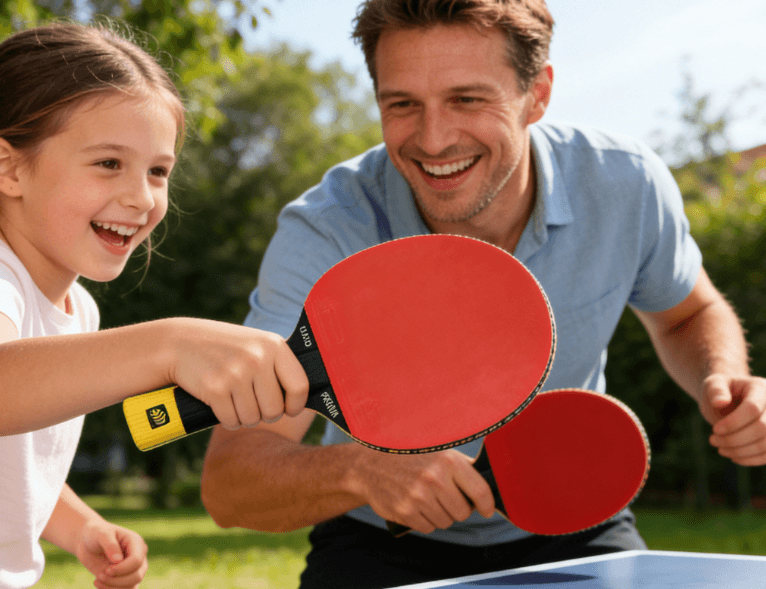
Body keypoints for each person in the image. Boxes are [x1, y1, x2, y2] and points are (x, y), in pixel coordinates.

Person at [200, 1, 766, 587]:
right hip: (377, 542)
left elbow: (687, 312)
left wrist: (722, 380)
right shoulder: (327, 231)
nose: (434, 138)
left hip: (575, 526)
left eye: (467, 99)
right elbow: (232, 483)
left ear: (538, 94)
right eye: (402, 105)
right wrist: (362, 471)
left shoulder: (626, 184)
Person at [0, 22, 309, 589]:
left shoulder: (78, 308)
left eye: (158, 171)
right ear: (8, 168)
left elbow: (11, 459)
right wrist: (170, 344)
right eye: (109, 163)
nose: (142, 197)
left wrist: (79, 526)